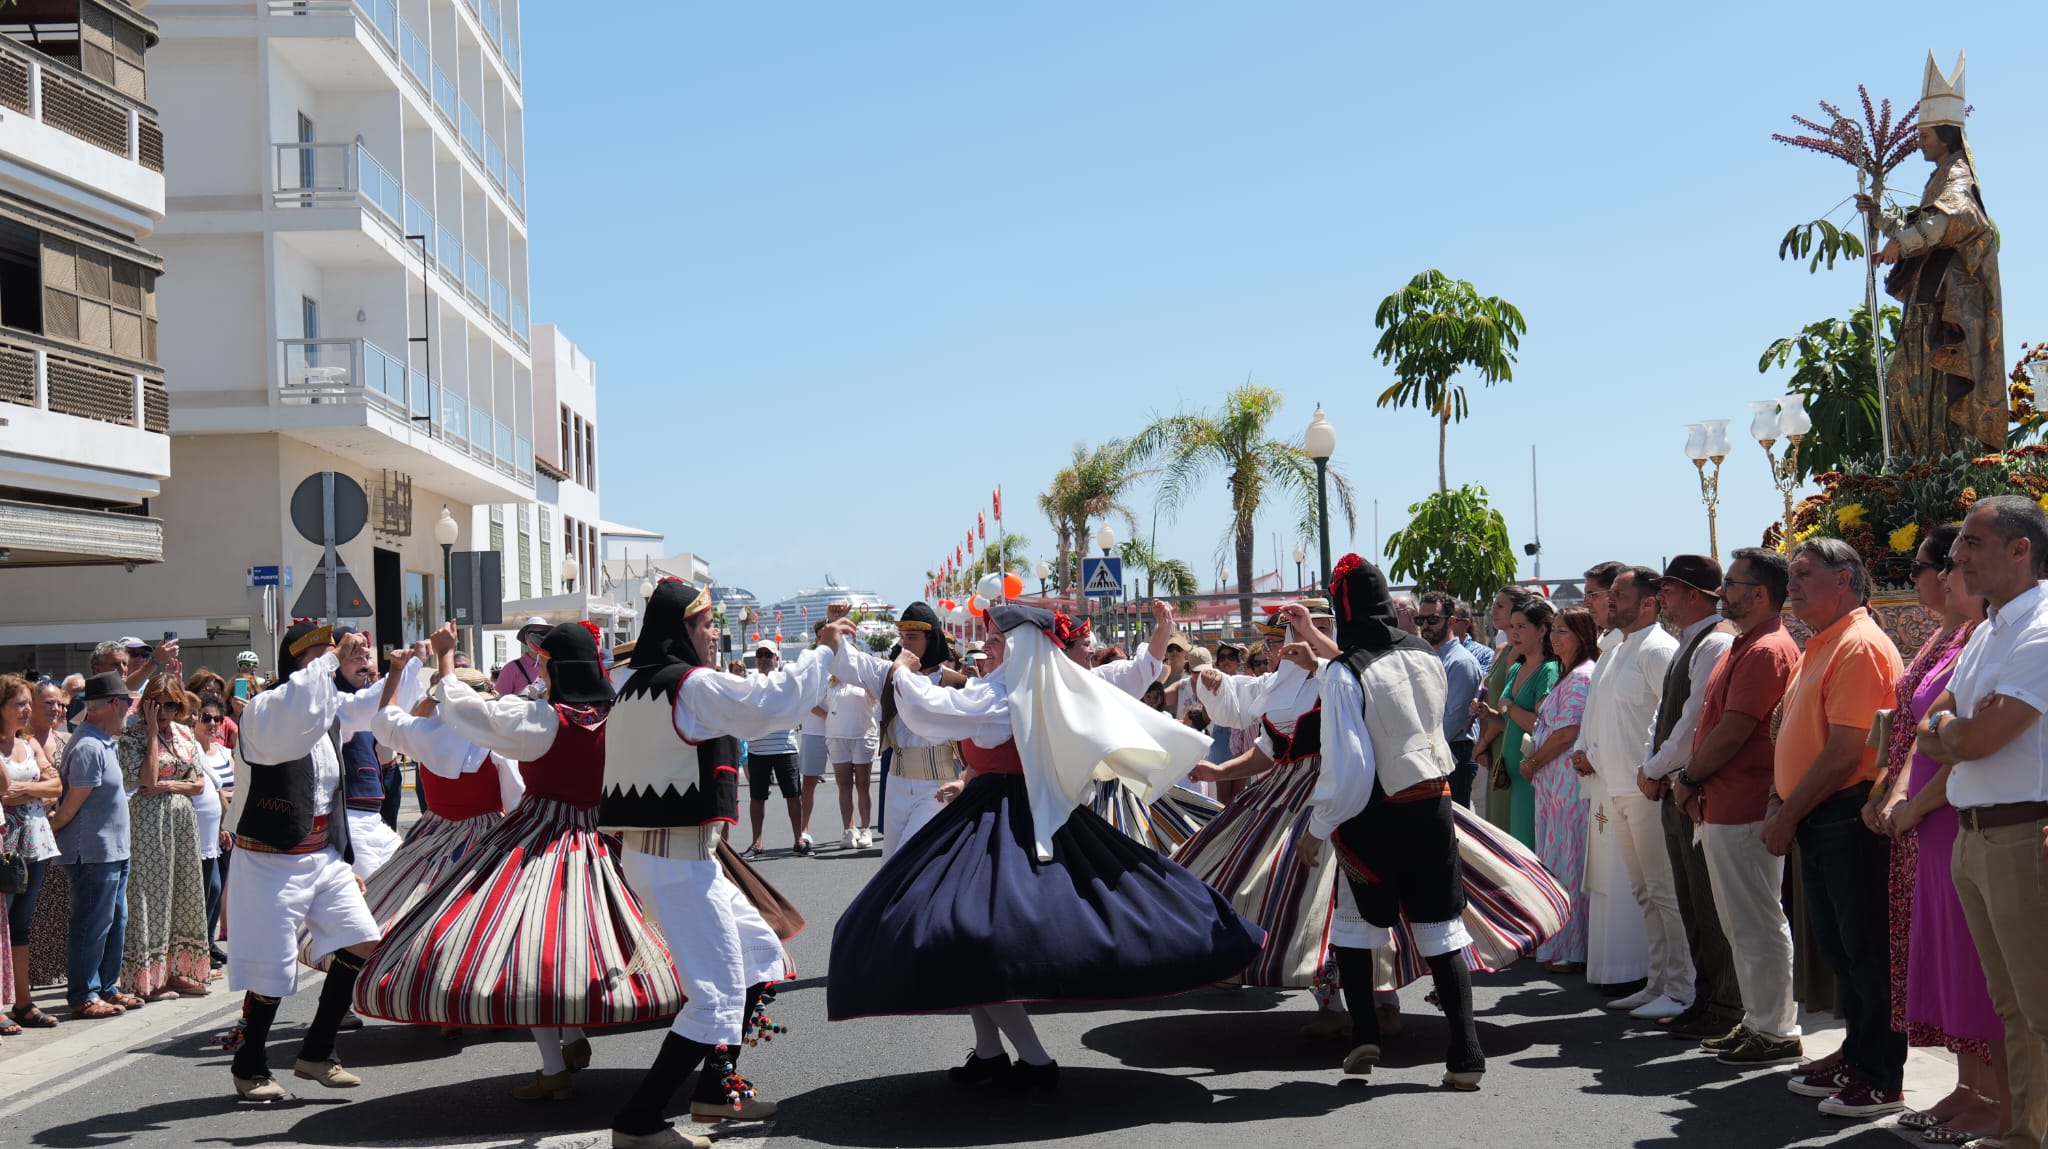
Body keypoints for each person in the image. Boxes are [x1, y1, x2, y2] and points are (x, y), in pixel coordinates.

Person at [818, 603, 1264, 1088]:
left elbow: (931, 709)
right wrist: (840, 648)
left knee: (976, 937)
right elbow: (936, 704)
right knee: (966, 935)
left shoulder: (1011, 692)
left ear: (1017, 645)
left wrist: (903, 671)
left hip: (1011, 819)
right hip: (993, 812)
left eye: (994, 640)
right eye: (987, 639)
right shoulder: (1013, 687)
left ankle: (1033, 1060)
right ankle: (991, 1051)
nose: (986, 647)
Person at [355, 622, 681, 1105]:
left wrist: (445, 658)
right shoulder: (619, 715)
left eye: (546, 665)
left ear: (557, 669)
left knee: (526, 945)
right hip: (605, 838)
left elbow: (465, 710)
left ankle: (555, 1066)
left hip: (544, 838)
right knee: (579, 940)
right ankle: (572, 1043)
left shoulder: (542, 719)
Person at [599, 579, 819, 1148]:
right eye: (702, 626)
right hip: (678, 864)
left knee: (759, 954)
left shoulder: (633, 687)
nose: (713, 635)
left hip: (674, 858)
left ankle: (716, 1089)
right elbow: (768, 706)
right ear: (680, 632)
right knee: (715, 994)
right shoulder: (688, 687)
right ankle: (639, 1122)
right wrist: (822, 651)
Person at [1296, 555, 1488, 1089]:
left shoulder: (1344, 670)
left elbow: (1351, 766)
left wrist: (1319, 829)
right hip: (1434, 806)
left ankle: (1363, 1035)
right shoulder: (1426, 653)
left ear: (1343, 607)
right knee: (1441, 931)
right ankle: (1465, 1053)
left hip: (1377, 815)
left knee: (1356, 930)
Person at [1863, 524, 2006, 1142]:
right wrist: (1892, 794)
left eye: (1953, 563)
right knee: (1945, 962)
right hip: (1922, 816)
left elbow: (1958, 745)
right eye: (1943, 564)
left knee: (1974, 964)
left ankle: (1996, 1100)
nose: (1945, 575)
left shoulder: (1986, 639)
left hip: (1947, 813)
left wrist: (1914, 803)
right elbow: (1915, 732)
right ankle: (1969, 1085)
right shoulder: (1954, 639)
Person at [1923, 495, 2048, 1149]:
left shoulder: (2042, 627)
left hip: (2021, 832)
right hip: (1976, 835)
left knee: (2041, 1004)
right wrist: (1954, 729)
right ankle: (2027, 1132)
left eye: (1971, 542)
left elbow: (1981, 737)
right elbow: (1934, 724)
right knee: (2014, 1006)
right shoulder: (1988, 630)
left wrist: (1954, 731)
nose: (1957, 556)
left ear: (2020, 549)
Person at [216, 622, 383, 1100]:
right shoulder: (268, 709)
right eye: (321, 655)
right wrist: (331, 664)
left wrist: (394, 667)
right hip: (271, 859)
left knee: (361, 941)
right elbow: (295, 715)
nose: (331, 662)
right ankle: (249, 1066)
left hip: (321, 855)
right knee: (272, 968)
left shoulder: (326, 709)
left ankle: (316, 1052)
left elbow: (373, 711)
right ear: (298, 661)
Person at [1767, 539, 1905, 1117]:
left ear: (1844, 580)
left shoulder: (1859, 644)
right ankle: (1857, 1052)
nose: (1791, 584)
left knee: (1865, 949)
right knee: (1844, 950)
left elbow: (1848, 752)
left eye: (1803, 574)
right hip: (1821, 816)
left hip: (1845, 814)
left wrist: (1788, 812)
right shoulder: (1821, 642)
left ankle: (1880, 1075)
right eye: (1791, 575)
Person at [1678, 548, 1802, 1066]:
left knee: (1755, 921)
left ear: (1758, 593)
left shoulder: (1767, 649)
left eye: (1730, 583)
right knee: (1740, 923)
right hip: (1725, 802)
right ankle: (1756, 1020)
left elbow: (1735, 731)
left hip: (1745, 803)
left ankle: (1775, 1029)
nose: (1722, 591)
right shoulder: (1743, 644)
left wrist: (1688, 775)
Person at [1859, 52, 2004, 459]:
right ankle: (1919, 468)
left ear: (1944, 133)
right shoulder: (1938, 176)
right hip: (1926, 311)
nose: (1918, 142)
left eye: (1924, 135)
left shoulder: (1957, 177)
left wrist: (1898, 245)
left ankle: (1938, 470)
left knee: (1934, 396)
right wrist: (1881, 218)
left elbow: (1946, 222)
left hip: (1943, 314)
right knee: (1905, 389)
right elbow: (1922, 227)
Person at [1573, 566, 1688, 1018]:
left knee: (1665, 891)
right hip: (1618, 788)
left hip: (1648, 789)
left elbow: (1676, 719)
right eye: (1610, 594)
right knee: (1645, 891)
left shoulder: (1659, 649)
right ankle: (1658, 981)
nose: (1609, 601)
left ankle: (1681, 988)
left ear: (1648, 602)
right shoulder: (1618, 648)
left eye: (1619, 594)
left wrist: (1658, 771)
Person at [1639, 555, 1742, 1042]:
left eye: (1671, 590)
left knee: (1707, 900)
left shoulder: (1715, 642)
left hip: (1692, 787)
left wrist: (1656, 767)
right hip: (1673, 785)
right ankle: (1705, 998)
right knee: (1690, 898)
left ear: (1696, 594)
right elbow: (1665, 713)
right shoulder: (1688, 642)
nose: (1664, 598)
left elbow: (1695, 721)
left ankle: (1724, 1003)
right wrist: (1652, 764)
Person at [834, 602, 967, 857]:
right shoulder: (888, 673)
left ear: (932, 639)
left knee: (911, 857)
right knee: (891, 861)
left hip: (937, 786)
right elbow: (848, 662)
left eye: (912, 637)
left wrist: (964, 779)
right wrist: (834, 628)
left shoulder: (956, 682)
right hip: (896, 782)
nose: (904, 644)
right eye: (902, 637)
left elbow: (979, 738)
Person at [114, 677, 211, 1003]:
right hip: (149, 822)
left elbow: (198, 784)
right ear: (148, 704)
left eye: (171, 704)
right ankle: (147, 980)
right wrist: (154, 733)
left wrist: (169, 786)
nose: (166, 710)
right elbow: (146, 780)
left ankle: (178, 971)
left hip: (182, 821)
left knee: (184, 892)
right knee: (151, 897)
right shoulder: (133, 736)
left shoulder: (185, 733)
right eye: (159, 703)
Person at [44, 673, 135, 1020]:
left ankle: (107, 987)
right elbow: (68, 809)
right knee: (91, 924)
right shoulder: (87, 746)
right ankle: (84, 994)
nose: (129, 708)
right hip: (92, 853)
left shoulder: (103, 742)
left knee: (114, 922)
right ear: (113, 704)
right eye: (126, 702)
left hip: (112, 851)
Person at [1528, 607, 1597, 973]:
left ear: (1583, 635)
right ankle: (1561, 943)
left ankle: (1573, 948)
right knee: (1557, 862)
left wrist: (1535, 761)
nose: (1555, 638)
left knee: (1569, 861)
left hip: (1567, 784)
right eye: (1553, 631)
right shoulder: (1567, 675)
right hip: (1553, 786)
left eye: (1564, 632)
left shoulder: (1583, 676)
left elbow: (1568, 731)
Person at [1, 675, 62, 1030]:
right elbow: (3, 794)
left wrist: (25, 789)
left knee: (22, 924)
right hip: (5, 843)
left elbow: (56, 784)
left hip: (35, 842)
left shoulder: (29, 744)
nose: (27, 710)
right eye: (18, 704)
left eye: (28, 703)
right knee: (1, 924)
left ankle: (23, 1002)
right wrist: (34, 789)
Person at [1487, 596, 1560, 848]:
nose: (1514, 633)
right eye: (1513, 626)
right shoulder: (1517, 667)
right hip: (1511, 776)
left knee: (1529, 847)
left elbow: (1541, 726)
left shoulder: (1549, 670)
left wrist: (1508, 706)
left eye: (1521, 627)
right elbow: (1510, 722)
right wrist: (1488, 714)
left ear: (1541, 630)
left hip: (1533, 776)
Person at [1473, 585, 1535, 832]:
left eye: (1500, 606)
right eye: (1493, 605)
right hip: (1495, 742)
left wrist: (1482, 743)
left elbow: (1511, 708)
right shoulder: (1501, 650)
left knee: (1511, 825)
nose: (1493, 611)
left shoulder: (1523, 655)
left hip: (1510, 741)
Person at [1416, 593, 1482, 809]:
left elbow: (1455, 718)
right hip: (1433, 754)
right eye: (1421, 620)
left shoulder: (1461, 662)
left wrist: (1421, 750)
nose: (1425, 626)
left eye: (1432, 620)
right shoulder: (1429, 657)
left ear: (1451, 621)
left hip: (1453, 754)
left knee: (1455, 834)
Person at [741, 642, 805, 857]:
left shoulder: (786, 682)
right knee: (757, 797)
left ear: (777, 658)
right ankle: (757, 843)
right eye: (760, 654)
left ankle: (799, 840)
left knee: (794, 795)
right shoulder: (750, 683)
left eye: (769, 654)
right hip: (758, 748)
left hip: (785, 747)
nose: (764, 658)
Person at [189, 694, 233, 971]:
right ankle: (200, 946)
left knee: (218, 888)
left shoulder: (225, 752)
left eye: (218, 719)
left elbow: (236, 786)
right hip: (201, 829)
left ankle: (208, 942)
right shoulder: (190, 750)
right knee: (209, 887)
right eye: (206, 718)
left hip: (224, 828)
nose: (213, 723)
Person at [825, 672, 879, 849]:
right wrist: (829, 719)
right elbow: (815, 705)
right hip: (837, 738)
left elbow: (877, 700)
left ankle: (866, 830)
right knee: (844, 785)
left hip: (862, 736)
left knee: (863, 784)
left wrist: (865, 684)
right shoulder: (830, 682)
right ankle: (849, 830)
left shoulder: (865, 680)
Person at [797, 633, 832, 853]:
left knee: (850, 783)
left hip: (843, 733)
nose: (825, 639)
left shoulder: (843, 665)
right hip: (814, 731)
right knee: (808, 782)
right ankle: (804, 829)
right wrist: (832, 718)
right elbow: (808, 701)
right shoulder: (811, 665)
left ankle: (852, 827)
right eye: (821, 636)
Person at [495, 617, 551, 697]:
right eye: (532, 634)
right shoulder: (510, 669)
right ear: (526, 638)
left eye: (543, 633)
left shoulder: (553, 666)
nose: (537, 638)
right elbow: (501, 702)